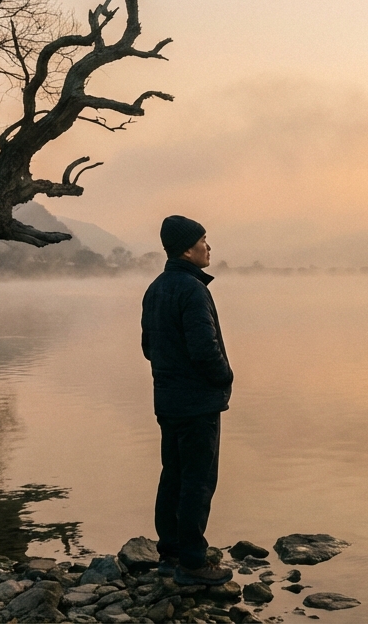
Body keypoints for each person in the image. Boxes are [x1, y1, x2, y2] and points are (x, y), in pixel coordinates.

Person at [140, 215, 234, 586]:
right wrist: (225, 377)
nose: (209, 247)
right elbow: (204, 350)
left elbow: (149, 348)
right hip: (197, 403)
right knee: (198, 480)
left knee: (173, 476)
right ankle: (193, 562)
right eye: (203, 241)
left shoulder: (156, 288)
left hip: (167, 400)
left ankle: (170, 553)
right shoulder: (193, 290)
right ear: (186, 249)